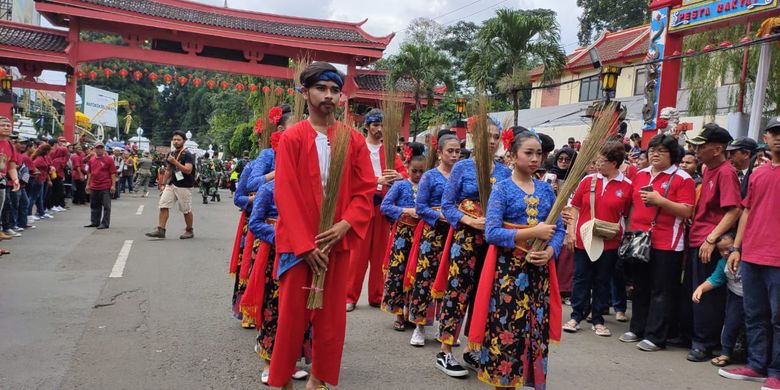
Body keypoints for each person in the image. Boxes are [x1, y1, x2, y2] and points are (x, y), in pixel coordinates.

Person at [267, 61, 375, 390]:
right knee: (290, 320)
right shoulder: (292, 138)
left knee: (330, 322)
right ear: (305, 93)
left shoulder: (352, 140)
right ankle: (281, 381)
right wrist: (305, 245)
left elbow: (365, 190)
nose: (329, 96)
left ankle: (318, 381)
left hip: (336, 244)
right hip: (299, 247)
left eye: (334, 90)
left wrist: (346, 224)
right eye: (321, 89)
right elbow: (285, 193)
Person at [475, 129, 564, 389]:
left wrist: (549, 252)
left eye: (539, 153)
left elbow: (558, 229)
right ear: (513, 156)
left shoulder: (547, 191)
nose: (535, 158)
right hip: (508, 274)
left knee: (535, 330)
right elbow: (491, 233)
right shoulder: (501, 189)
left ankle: (529, 380)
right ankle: (503, 383)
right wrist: (531, 233)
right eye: (528, 153)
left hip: (539, 274)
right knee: (507, 329)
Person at [434, 119, 511, 378]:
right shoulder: (463, 168)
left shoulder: (504, 172)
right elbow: (447, 205)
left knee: (485, 294)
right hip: (466, 240)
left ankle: (472, 347)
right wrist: (468, 220)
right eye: (487, 136)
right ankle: (445, 350)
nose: (492, 141)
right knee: (458, 292)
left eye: (496, 136)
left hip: (492, 243)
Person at [619, 134, 695, 352]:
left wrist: (660, 201)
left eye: (661, 150)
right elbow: (632, 205)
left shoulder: (683, 178)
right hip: (640, 239)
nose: (655, 154)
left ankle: (656, 336)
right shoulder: (641, 175)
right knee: (640, 286)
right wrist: (631, 230)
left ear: (673, 155)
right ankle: (638, 328)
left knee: (662, 289)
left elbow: (687, 210)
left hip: (668, 243)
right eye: (652, 150)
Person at [719, 118, 780, 389]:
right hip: (753, 254)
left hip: (777, 258)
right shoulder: (758, 174)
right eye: (774, 133)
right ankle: (756, 365)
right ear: (765, 138)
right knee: (754, 314)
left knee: (778, 318)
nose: (778, 138)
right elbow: (746, 211)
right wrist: (736, 248)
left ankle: (776, 372)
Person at [563, 141, 633, 337]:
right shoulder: (588, 181)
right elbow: (574, 208)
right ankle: (576, 316)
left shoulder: (627, 186)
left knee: (603, 280)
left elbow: (627, 215)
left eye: (601, 161)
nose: (596, 164)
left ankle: (598, 319)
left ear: (614, 163)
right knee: (580, 278)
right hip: (583, 238)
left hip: (609, 242)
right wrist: (570, 232)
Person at [683, 124, 741, 362]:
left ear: (718, 149)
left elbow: (734, 210)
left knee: (707, 294)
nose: (697, 151)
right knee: (695, 291)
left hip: (710, 242)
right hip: (698, 237)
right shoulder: (708, 169)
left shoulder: (726, 172)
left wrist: (711, 238)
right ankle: (694, 336)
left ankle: (705, 343)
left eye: (702, 146)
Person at [345, 108, 407, 312]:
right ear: (367, 127)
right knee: (357, 254)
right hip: (362, 204)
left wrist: (399, 177)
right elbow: (350, 177)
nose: (380, 130)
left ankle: (376, 295)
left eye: (382, 126)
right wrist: (375, 181)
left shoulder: (389, 150)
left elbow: (404, 173)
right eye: (375, 125)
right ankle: (349, 296)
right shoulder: (357, 147)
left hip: (383, 206)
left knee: (380, 253)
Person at [408, 130, 460, 347]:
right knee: (425, 278)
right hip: (433, 233)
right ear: (439, 153)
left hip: (456, 233)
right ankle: (419, 326)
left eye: (458, 151)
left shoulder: (462, 175)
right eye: (450, 151)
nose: (455, 155)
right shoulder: (429, 176)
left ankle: (444, 326)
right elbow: (420, 207)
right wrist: (442, 215)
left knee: (451, 280)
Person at [379, 154, 424, 330]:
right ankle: (398, 313)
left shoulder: (427, 187)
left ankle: (411, 313)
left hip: (422, 236)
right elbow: (385, 206)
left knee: (417, 273)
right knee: (398, 271)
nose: (418, 175)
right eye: (414, 171)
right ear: (406, 167)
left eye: (422, 171)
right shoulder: (400, 185)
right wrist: (406, 211)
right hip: (402, 235)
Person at [689, 232, 742, 367]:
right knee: (730, 324)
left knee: (754, 326)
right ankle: (726, 353)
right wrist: (700, 288)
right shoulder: (722, 263)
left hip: (753, 297)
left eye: (728, 249)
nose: (725, 253)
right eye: (721, 250)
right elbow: (716, 279)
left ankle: (753, 357)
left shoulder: (747, 260)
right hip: (735, 297)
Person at [145, 131, 196, 239]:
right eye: (174, 139)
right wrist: (162, 184)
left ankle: (189, 230)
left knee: (185, 209)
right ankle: (161, 230)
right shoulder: (171, 154)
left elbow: (188, 170)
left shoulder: (187, 154)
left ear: (184, 141)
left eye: (178, 140)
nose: (176, 142)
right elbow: (168, 170)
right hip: (172, 183)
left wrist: (175, 162)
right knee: (163, 204)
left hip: (184, 186)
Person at [84, 142, 116, 229]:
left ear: (104, 149)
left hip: (105, 186)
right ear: (94, 149)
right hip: (94, 186)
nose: (99, 149)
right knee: (94, 205)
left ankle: (105, 223)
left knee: (106, 206)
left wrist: (113, 186)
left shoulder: (109, 159)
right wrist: (88, 184)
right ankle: (95, 222)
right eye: (98, 148)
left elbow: (113, 173)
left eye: (101, 148)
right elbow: (90, 173)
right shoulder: (92, 160)